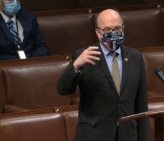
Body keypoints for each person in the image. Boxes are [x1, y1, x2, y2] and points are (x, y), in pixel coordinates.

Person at [57, 9, 150, 141]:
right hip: (95, 135)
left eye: (117, 28)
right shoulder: (85, 56)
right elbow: (62, 89)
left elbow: (141, 105)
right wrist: (76, 66)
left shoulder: (135, 57)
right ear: (98, 32)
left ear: (123, 29)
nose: (113, 33)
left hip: (127, 135)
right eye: (107, 30)